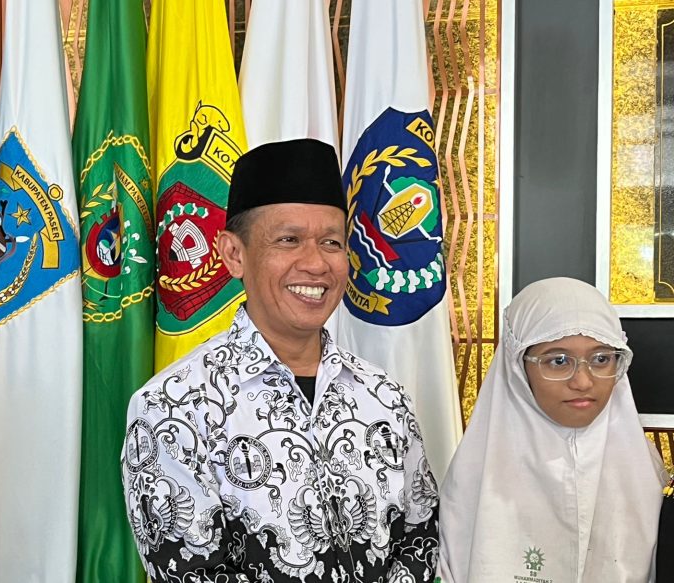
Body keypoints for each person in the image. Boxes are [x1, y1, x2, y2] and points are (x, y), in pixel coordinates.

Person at [122, 138, 439, 582]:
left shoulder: (384, 396)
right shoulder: (172, 408)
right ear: (233, 254)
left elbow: (420, 540)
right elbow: (191, 570)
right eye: (289, 240)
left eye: (331, 242)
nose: (316, 264)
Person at [438, 277, 665, 582]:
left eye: (601, 359)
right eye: (558, 361)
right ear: (518, 367)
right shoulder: (475, 477)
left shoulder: (646, 473)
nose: (583, 381)